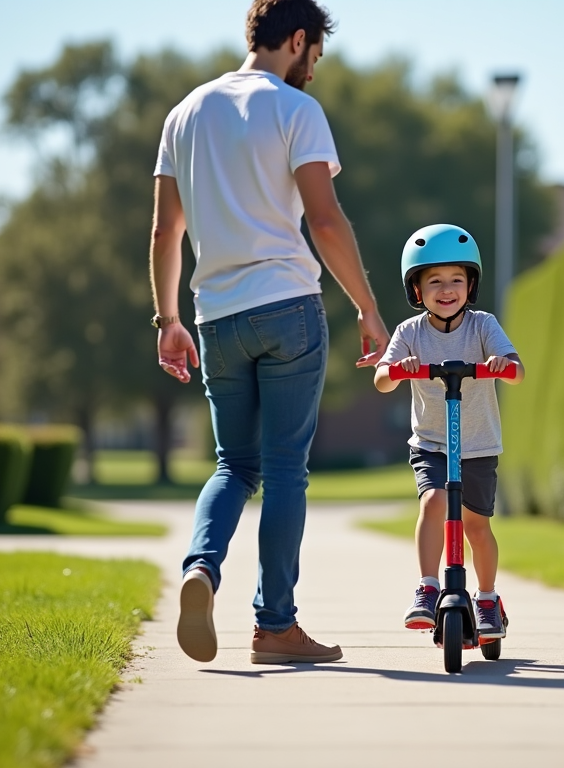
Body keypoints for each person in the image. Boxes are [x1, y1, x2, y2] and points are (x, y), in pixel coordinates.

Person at [149, 0, 390, 665]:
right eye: (315, 54)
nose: (314, 68)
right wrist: (369, 309)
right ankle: (276, 627)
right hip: (287, 307)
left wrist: (168, 321)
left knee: (234, 464)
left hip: (215, 315)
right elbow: (326, 220)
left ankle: (202, 568)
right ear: (296, 39)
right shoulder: (295, 110)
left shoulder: (185, 113)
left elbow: (166, 232)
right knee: (285, 468)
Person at [373, 224, 525, 640]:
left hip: (477, 445)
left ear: (470, 284)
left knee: (476, 525)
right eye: (434, 281)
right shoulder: (410, 333)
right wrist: (396, 371)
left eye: (456, 279)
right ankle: (427, 586)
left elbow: (516, 370)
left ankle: (488, 597)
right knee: (435, 502)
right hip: (432, 444)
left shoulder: (482, 326)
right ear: (417, 290)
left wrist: (501, 365)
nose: (446, 289)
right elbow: (382, 379)